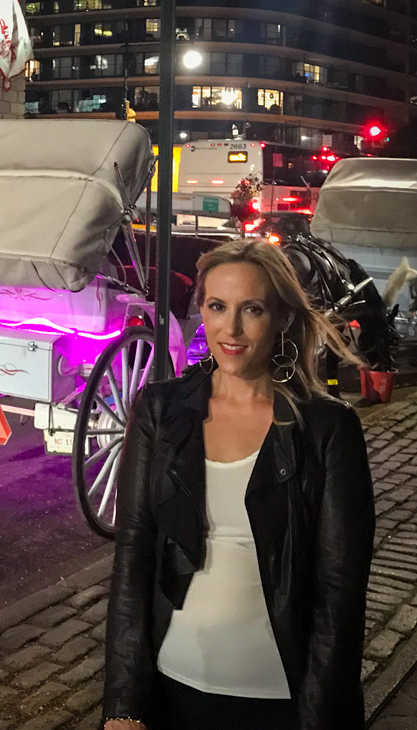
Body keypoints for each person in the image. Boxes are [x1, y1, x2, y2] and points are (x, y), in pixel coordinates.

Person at [102, 239, 375, 730]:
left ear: (283, 317)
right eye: (217, 306)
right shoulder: (160, 411)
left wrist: (320, 714)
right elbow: (134, 551)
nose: (230, 329)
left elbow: (340, 592)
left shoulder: (328, 429)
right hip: (173, 687)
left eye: (252, 309)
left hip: (279, 700)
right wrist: (123, 705)